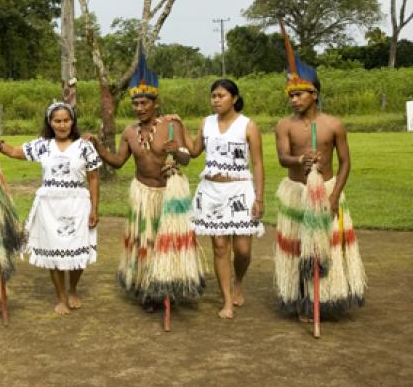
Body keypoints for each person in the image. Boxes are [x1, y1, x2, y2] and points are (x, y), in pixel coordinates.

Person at [85, 48, 190, 308]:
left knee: (169, 242)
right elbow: (119, 162)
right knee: (146, 242)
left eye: (144, 103)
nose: (139, 108)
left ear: (155, 103)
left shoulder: (172, 125)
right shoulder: (129, 132)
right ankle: (148, 288)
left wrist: (176, 151)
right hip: (143, 193)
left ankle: (170, 286)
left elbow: (188, 158)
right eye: (135, 104)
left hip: (169, 193)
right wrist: (98, 147)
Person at [274, 48, 366, 320]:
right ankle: (302, 297)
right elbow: (282, 158)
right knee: (299, 246)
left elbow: (345, 163)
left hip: (326, 190)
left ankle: (326, 296)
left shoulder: (333, 125)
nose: (294, 100)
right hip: (297, 193)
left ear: (314, 94)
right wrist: (300, 159)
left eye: (299, 94)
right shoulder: (284, 126)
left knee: (328, 246)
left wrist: (335, 196)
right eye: (290, 95)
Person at [0, 102, 100, 315]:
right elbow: (15, 152)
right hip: (49, 205)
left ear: (73, 121)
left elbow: (94, 179)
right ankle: (61, 296)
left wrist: (94, 209)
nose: (62, 125)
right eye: (57, 121)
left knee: (78, 250)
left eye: (66, 120)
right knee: (54, 250)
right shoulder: (43, 145)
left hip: (77, 203)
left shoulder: (85, 147)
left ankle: (73, 289)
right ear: (50, 123)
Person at [183, 79, 264, 319]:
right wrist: (179, 131)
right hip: (211, 191)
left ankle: (238, 280)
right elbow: (195, 150)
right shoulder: (206, 123)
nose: (216, 100)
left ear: (235, 98)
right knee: (220, 247)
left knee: (242, 250)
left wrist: (259, 198)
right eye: (213, 96)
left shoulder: (248, 126)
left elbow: (258, 163)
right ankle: (227, 299)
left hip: (239, 191)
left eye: (221, 96)